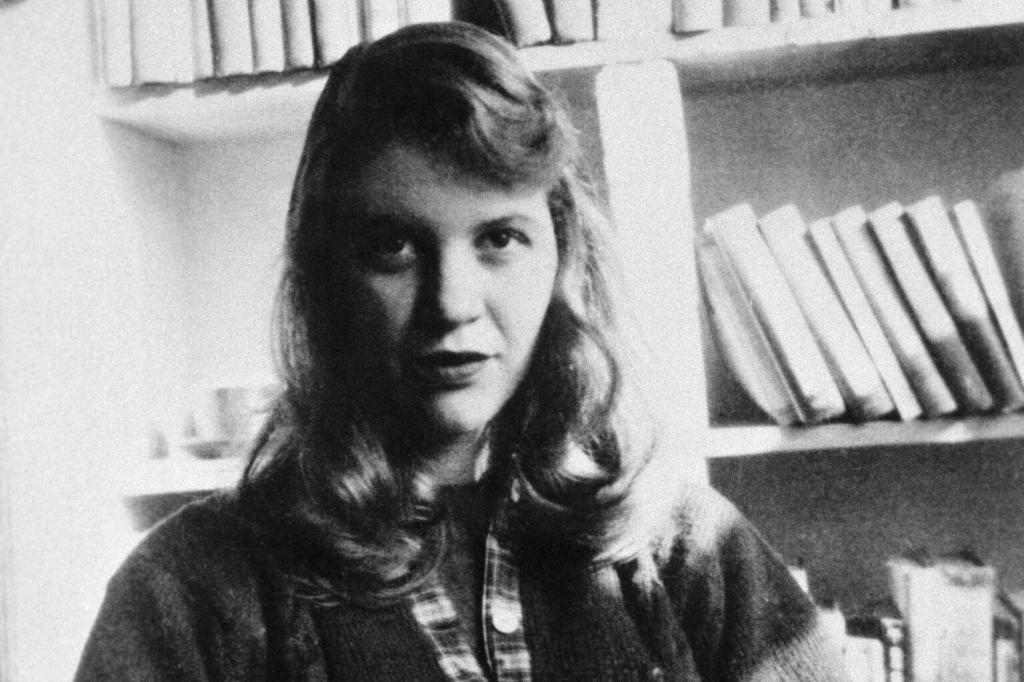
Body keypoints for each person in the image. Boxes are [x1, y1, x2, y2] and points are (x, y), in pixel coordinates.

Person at [76, 21, 847, 681]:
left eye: (500, 239)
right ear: (324, 277)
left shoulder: (684, 549)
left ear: (562, 258)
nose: (452, 302)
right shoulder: (186, 589)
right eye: (393, 246)